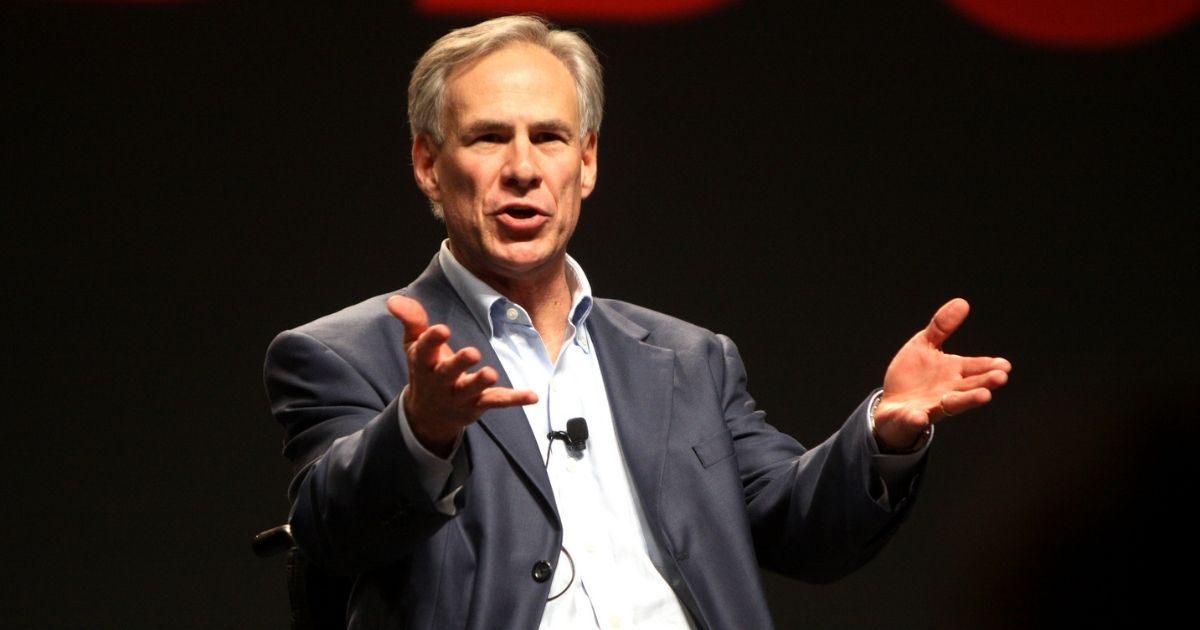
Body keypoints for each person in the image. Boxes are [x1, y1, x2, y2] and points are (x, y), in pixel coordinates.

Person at [264, 15, 1011, 630]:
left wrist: (884, 431)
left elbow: (798, 525)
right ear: (429, 163)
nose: (523, 168)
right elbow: (333, 533)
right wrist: (421, 429)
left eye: (550, 138)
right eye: (489, 137)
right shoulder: (345, 354)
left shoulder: (686, 358)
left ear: (585, 163)